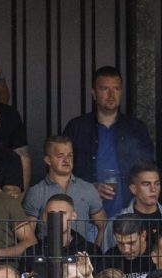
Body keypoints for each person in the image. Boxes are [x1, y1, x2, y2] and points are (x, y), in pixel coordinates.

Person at [64, 66, 154, 216]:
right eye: (105, 89)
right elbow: (60, 172)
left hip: (129, 216)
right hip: (85, 215)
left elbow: (149, 169)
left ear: (122, 92)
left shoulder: (136, 128)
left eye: (116, 89)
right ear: (93, 93)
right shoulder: (77, 128)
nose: (111, 95)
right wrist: (89, 189)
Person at [22, 136, 106, 243]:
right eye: (60, 156)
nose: (66, 160)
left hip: (81, 255)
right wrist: (38, 254)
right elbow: (28, 233)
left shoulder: (88, 189)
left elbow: (103, 226)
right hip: (48, 256)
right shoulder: (36, 192)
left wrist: (95, 253)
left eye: (70, 155)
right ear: (48, 160)